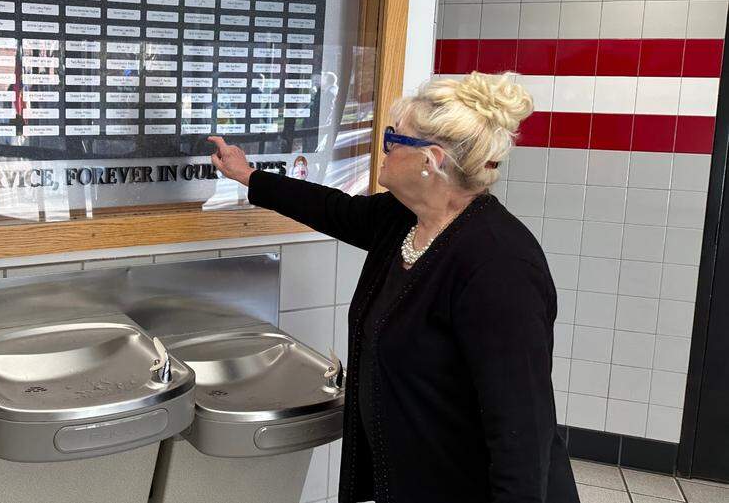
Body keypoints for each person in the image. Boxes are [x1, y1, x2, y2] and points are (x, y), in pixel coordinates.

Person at [209, 72, 579, 503]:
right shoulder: (404, 219)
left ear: (432, 160)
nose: (381, 148)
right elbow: (335, 210)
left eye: (392, 138)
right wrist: (250, 176)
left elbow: (522, 429)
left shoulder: (499, 266)